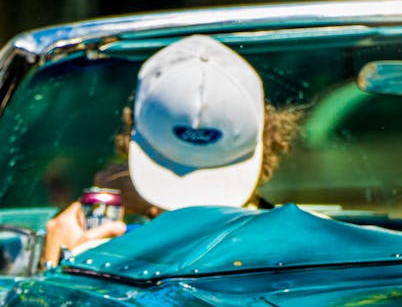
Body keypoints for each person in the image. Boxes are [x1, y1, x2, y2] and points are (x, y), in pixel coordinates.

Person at [42, 34, 302, 266]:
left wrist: (65, 268)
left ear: (131, 137)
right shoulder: (305, 245)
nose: (192, 211)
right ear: (266, 139)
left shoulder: (105, 254)